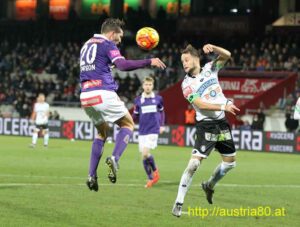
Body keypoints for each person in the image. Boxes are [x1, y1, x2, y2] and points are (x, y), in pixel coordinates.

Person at [79, 18, 166, 192]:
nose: (118, 43)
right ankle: (115, 159)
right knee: (128, 124)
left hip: (86, 96)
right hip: (103, 92)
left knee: (102, 132)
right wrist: (149, 61)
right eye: (118, 39)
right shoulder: (107, 44)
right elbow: (122, 65)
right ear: (111, 34)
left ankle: (91, 175)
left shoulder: (87, 44)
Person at [172, 44, 240, 217]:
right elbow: (200, 105)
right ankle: (178, 203)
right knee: (194, 163)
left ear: (196, 58)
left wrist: (215, 48)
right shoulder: (186, 85)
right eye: (182, 62)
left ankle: (209, 185)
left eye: (186, 60)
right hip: (206, 125)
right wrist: (223, 105)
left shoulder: (211, 68)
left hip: (222, 125)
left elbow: (227, 54)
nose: (184, 64)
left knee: (229, 163)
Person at [132, 76, 165, 188]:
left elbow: (162, 112)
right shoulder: (138, 100)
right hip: (142, 131)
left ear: (153, 86)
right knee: (143, 156)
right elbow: (135, 115)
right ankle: (151, 178)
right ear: (143, 86)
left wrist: (161, 125)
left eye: (150, 84)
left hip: (153, 130)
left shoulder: (158, 99)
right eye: (146, 84)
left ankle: (155, 172)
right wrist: (129, 123)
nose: (148, 86)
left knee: (145, 153)